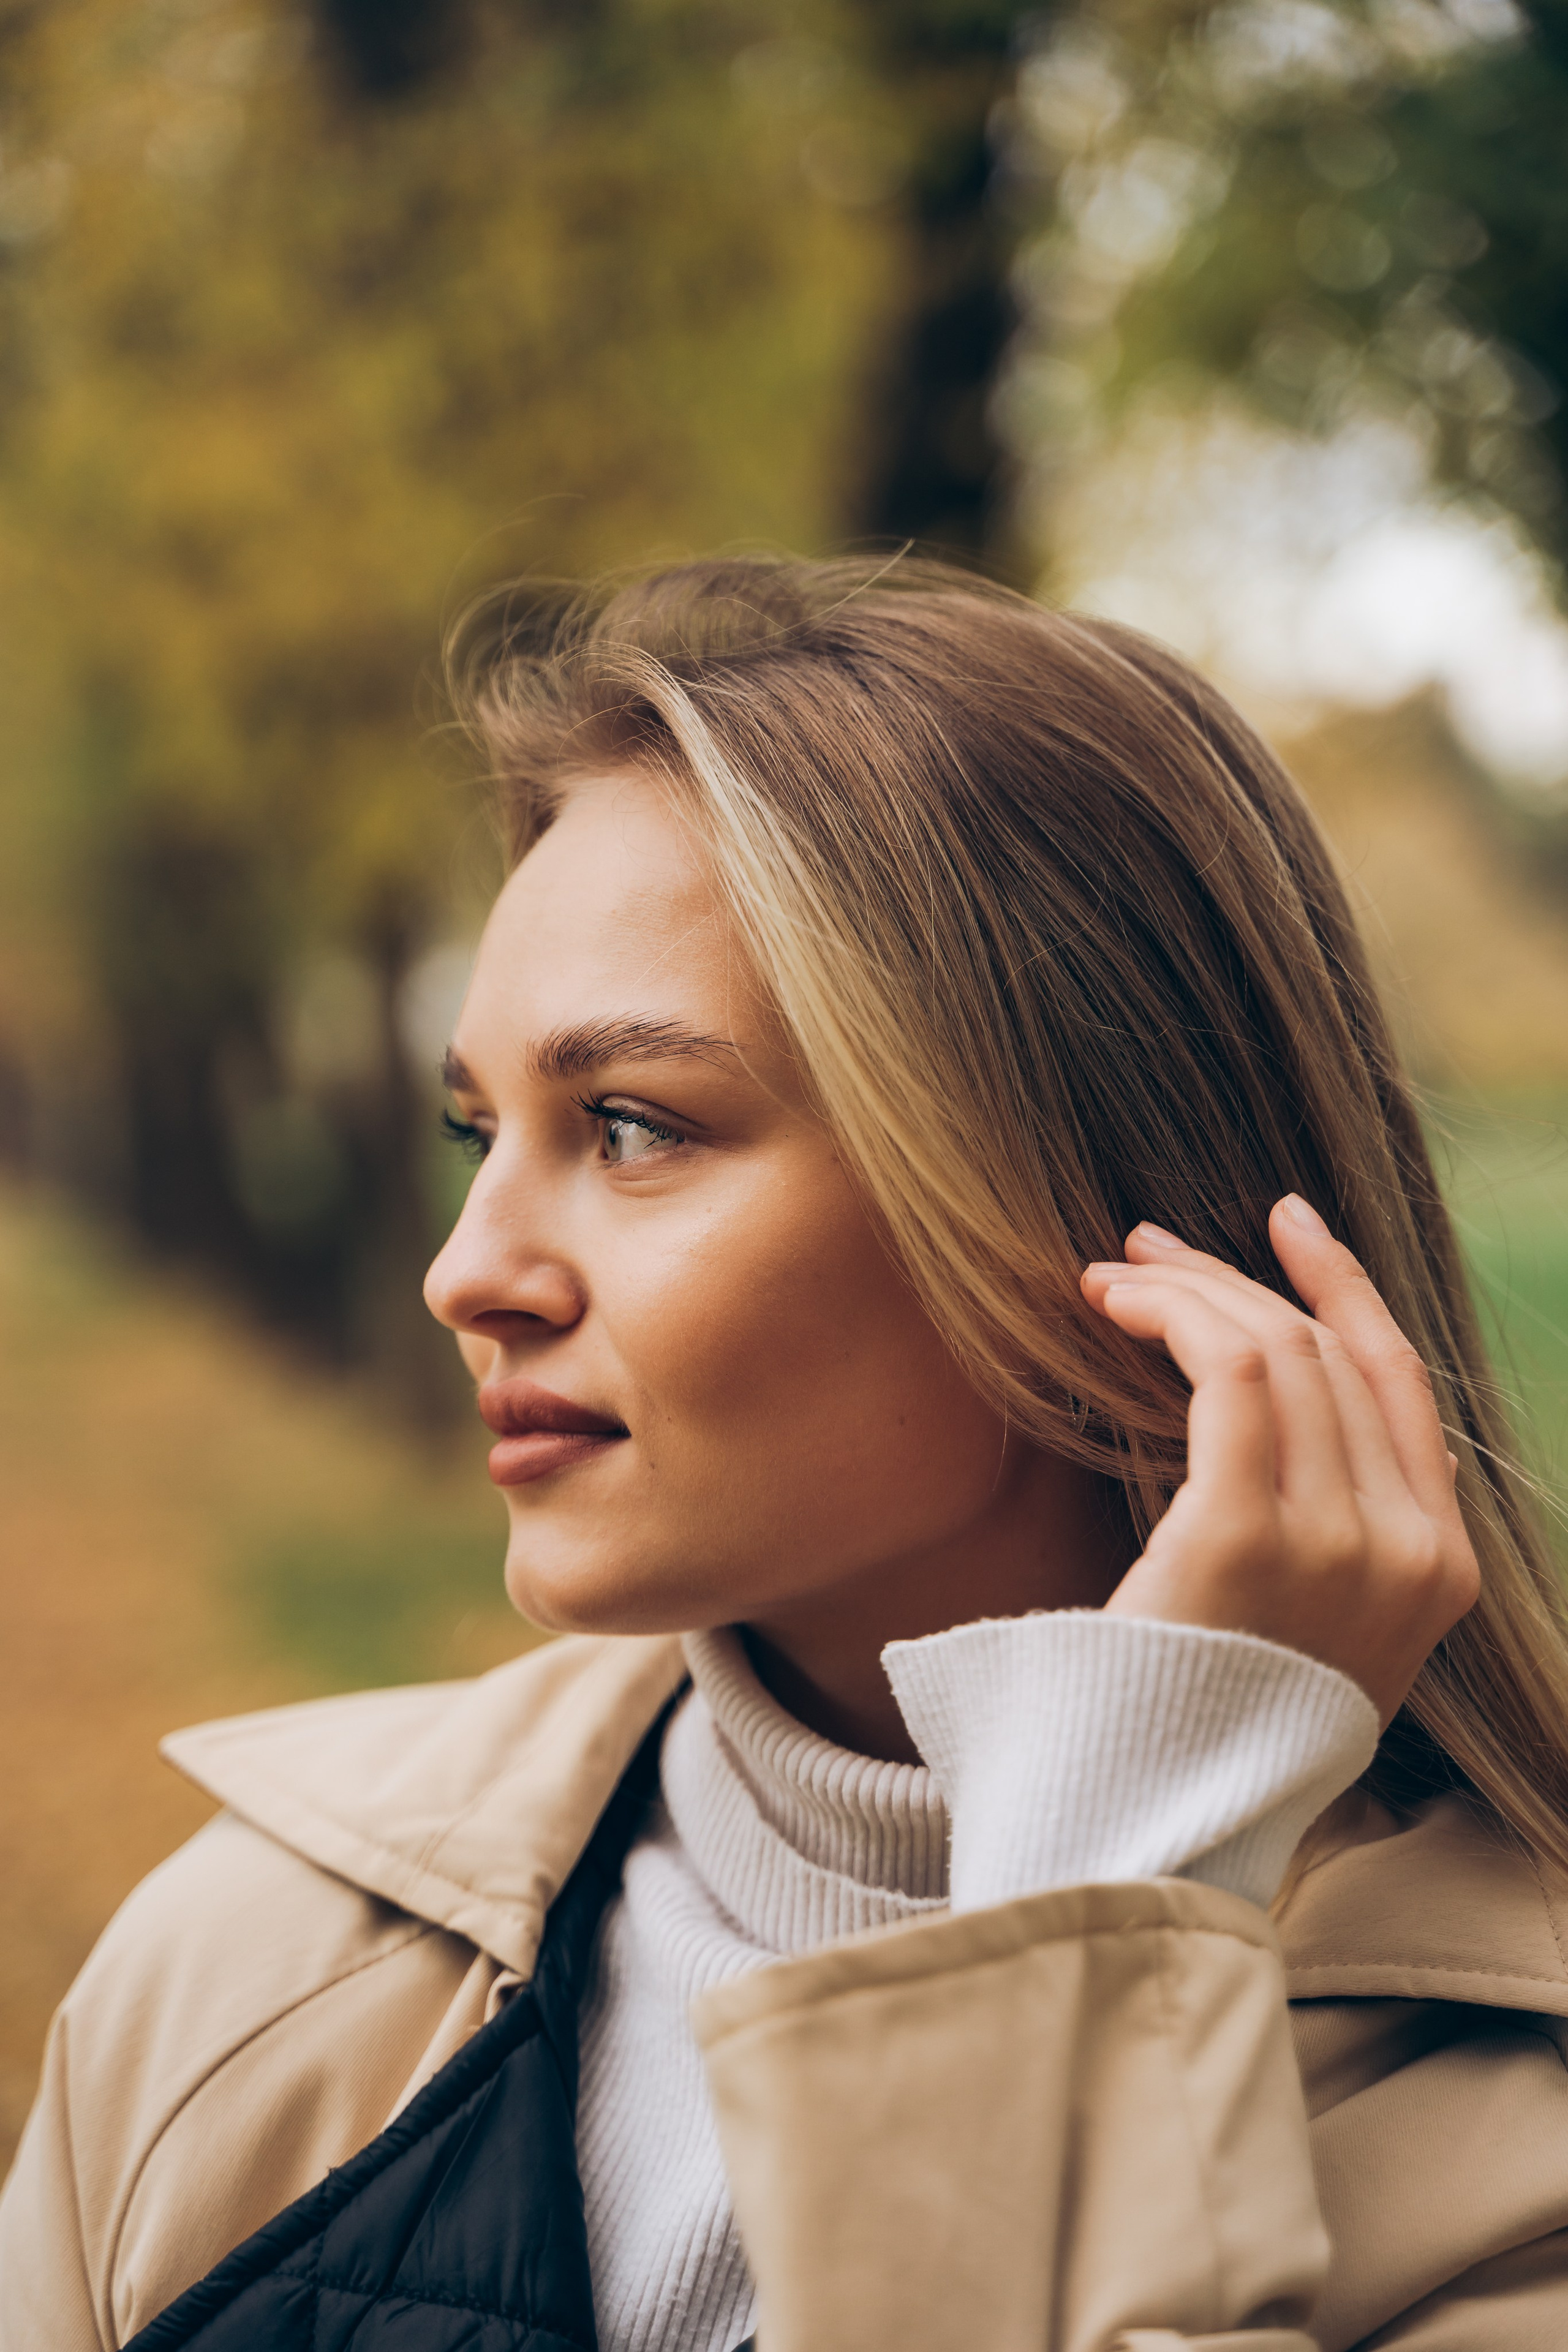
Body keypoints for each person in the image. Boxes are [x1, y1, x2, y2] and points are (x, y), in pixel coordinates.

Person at [4, 554, 1568, 2352]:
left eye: (634, 1126)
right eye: (479, 1131)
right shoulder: (248, 1974)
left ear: (1107, 1223)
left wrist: (1101, 1884)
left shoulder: (1508, 2173)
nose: (468, 1276)